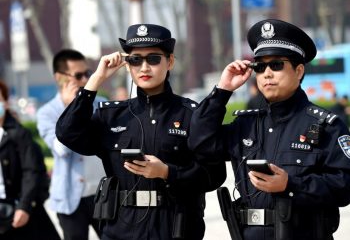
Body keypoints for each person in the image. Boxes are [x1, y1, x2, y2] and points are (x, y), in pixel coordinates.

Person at [55, 24, 225, 240]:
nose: (144, 67)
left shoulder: (191, 115)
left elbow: (213, 175)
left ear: (170, 61)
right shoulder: (112, 116)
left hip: (174, 227)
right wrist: (95, 81)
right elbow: (67, 133)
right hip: (122, 229)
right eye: (135, 60)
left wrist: (167, 172)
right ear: (127, 65)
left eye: (153, 59)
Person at [188, 19, 350, 240]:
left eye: (276, 65)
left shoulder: (326, 125)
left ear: (299, 70)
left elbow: (345, 185)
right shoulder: (245, 125)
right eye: (260, 66)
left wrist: (290, 185)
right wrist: (222, 90)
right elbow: (200, 143)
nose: (267, 73)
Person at [36, 49, 106, 240]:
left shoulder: (101, 104)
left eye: (88, 74)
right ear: (60, 78)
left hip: (103, 194)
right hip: (69, 199)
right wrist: (71, 110)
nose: (85, 80)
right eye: (78, 75)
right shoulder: (47, 113)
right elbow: (61, 150)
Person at [0, 80, 60, 240]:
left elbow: (31, 171)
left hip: (20, 208)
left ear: (5, 102)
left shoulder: (19, 134)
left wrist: (25, 206)